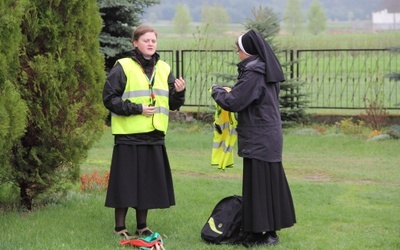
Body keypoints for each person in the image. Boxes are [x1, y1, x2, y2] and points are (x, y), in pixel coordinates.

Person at [211, 29, 296, 247]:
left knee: (259, 186)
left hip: (259, 136)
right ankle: (267, 233)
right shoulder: (263, 70)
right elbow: (247, 96)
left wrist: (217, 91)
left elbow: (234, 102)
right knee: (267, 185)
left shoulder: (254, 72)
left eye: (238, 49)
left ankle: (263, 234)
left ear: (247, 51)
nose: (237, 53)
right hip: (267, 135)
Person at [103, 25, 186, 239]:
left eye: (153, 41)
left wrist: (179, 92)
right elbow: (109, 99)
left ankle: (142, 226)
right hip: (128, 135)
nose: (150, 44)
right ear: (135, 43)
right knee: (125, 182)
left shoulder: (165, 68)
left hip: (155, 135)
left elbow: (173, 104)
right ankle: (119, 227)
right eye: (146, 40)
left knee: (147, 183)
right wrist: (137, 108)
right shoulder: (123, 66)